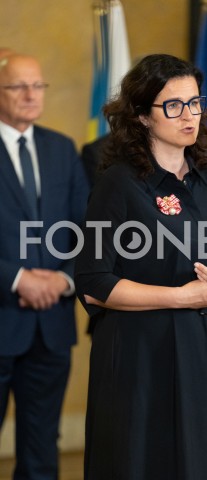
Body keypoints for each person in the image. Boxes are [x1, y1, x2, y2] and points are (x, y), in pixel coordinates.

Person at [75, 53, 207, 480]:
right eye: (173, 105)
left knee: (206, 461)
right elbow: (94, 283)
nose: (189, 115)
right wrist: (181, 296)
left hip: (203, 345)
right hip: (140, 354)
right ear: (141, 116)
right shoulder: (118, 183)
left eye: (195, 103)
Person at [0, 53, 89, 479]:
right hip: (1, 316)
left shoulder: (61, 148)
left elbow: (86, 226)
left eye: (38, 85)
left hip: (52, 326)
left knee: (41, 452)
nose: (31, 95)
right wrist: (16, 278)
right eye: (19, 86)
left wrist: (64, 278)